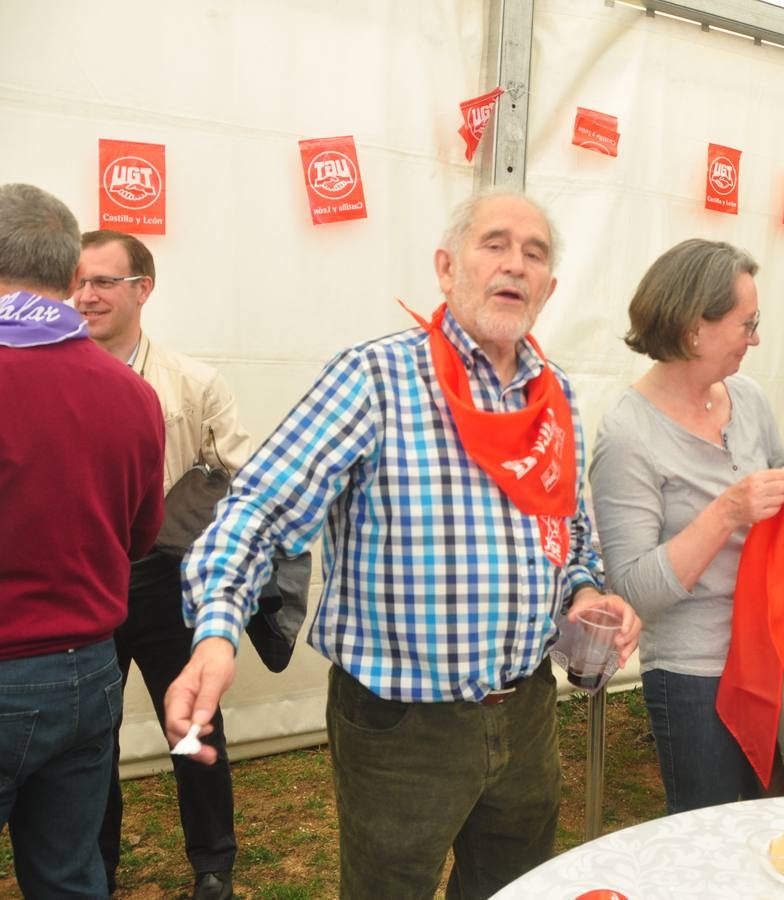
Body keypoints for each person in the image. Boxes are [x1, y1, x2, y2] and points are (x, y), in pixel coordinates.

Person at [162, 191, 640, 900]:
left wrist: (587, 588)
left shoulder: (554, 395)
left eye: (534, 253)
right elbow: (258, 508)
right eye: (495, 244)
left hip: (527, 711)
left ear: (549, 288)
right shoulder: (376, 377)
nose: (515, 263)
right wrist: (215, 633)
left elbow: (568, 528)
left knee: (511, 888)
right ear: (447, 268)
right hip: (401, 723)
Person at [589, 238, 784, 814]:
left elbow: (781, 496)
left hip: (771, 655)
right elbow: (632, 590)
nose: (755, 338)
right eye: (746, 323)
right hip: (694, 676)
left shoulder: (749, 399)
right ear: (693, 329)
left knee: (776, 832)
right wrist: (727, 511)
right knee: (708, 841)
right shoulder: (628, 435)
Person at [0, 183, 164, 895]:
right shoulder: (132, 393)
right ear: (72, 277)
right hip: (88, 670)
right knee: (70, 874)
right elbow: (140, 533)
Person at [75, 229, 247, 900]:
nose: (86, 295)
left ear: (143, 289)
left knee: (192, 723)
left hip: (167, 577)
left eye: (104, 282)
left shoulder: (193, 382)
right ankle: (97, 865)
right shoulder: (48, 377)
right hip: (84, 576)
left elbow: (242, 476)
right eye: (78, 281)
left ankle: (212, 863)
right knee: (92, 736)